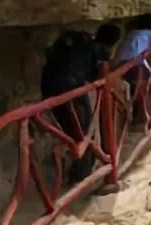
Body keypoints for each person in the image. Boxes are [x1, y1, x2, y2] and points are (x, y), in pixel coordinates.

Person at [40, 24, 121, 185]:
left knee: (72, 130)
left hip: (49, 87)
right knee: (83, 131)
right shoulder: (95, 48)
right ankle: (80, 175)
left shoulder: (75, 36)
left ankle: (75, 164)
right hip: (72, 90)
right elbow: (94, 76)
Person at [115, 15, 151, 122]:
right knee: (143, 86)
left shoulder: (132, 34)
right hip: (135, 60)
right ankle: (143, 115)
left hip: (122, 61)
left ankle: (136, 112)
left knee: (135, 85)